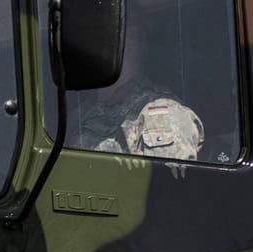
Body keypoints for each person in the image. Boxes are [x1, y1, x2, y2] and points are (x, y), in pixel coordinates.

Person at [71, 5, 204, 162]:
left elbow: (165, 184)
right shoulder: (80, 113)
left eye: (95, 30)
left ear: (132, 36)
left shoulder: (159, 115)